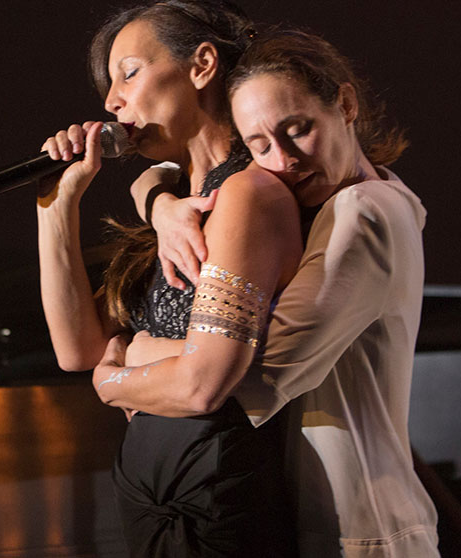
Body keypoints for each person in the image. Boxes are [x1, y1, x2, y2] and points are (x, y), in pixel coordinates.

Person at [97, 29, 440, 556]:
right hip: (321, 516)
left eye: (298, 130)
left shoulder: (364, 210)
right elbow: (167, 168)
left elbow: (256, 370)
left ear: (345, 103)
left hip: (361, 527)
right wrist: (158, 200)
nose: (282, 160)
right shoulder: (342, 202)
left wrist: (125, 367)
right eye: (259, 146)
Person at [36, 1, 300, 556]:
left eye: (129, 73)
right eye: (110, 84)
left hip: (214, 490)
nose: (111, 101)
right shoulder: (172, 210)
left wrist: (115, 379)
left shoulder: (244, 195)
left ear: (202, 65)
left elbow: (201, 385)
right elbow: (76, 348)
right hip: (151, 491)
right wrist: (57, 207)